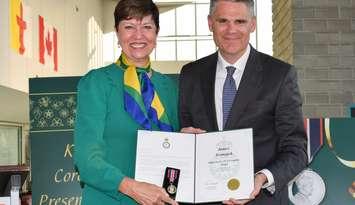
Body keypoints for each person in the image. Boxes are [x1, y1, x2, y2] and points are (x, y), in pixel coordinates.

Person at [178, 0, 307, 204]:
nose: (231, 30)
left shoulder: (280, 75)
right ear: (210, 23)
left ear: (252, 24)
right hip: (205, 199)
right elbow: (184, 136)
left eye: (240, 21)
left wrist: (262, 178)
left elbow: (296, 150)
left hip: (261, 199)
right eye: (223, 21)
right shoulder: (190, 74)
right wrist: (182, 141)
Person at [74, 0, 179, 204]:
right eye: (129, 27)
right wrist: (132, 188)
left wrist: (188, 139)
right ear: (117, 33)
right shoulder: (97, 82)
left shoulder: (168, 87)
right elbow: (86, 160)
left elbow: (174, 147)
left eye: (147, 27)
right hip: (109, 200)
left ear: (156, 33)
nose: (138, 36)